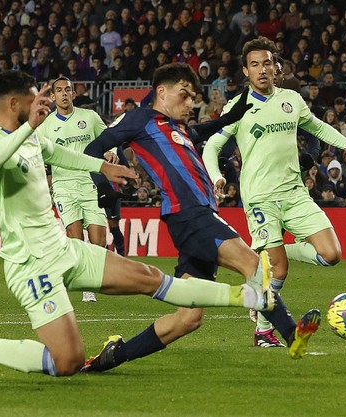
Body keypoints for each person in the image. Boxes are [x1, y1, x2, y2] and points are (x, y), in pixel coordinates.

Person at [0, 70, 272, 377]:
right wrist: (30, 127)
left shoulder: (30, 133)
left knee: (149, 277)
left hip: (63, 248)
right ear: (15, 102)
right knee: (67, 362)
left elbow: (57, 154)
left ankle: (249, 297)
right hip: (30, 265)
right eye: (35, 101)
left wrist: (102, 167)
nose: (42, 107)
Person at [83, 62, 320, 370]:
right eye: (184, 95)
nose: (190, 102)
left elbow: (198, 132)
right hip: (189, 214)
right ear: (162, 92)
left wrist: (231, 118)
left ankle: (113, 356)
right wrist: (103, 187)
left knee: (188, 318)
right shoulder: (141, 119)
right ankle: (291, 333)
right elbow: (93, 149)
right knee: (253, 264)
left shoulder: (179, 129)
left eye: (193, 97)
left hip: (197, 215)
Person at [203, 37, 346, 348]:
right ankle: (263, 331)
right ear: (246, 71)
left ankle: (266, 256)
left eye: (267, 63)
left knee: (331, 254)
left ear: (276, 67)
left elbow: (318, 127)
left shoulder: (292, 100)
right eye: (255, 65)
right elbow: (212, 146)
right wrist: (216, 176)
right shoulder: (238, 106)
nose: (262, 69)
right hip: (260, 197)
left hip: (295, 193)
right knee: (277, 268)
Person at [36, 76, 118, 303]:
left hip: (91, 184)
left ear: (73, 94)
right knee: (74, 236)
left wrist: (112, 152)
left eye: (68, 90)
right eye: (59, 90)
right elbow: (38, 153)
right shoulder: (45, 126)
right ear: (52, 97)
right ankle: (87, 286)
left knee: (98, 240)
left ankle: (94, 273)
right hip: (64, 186)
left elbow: (109, 138)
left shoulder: (89, 118)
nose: (64, 93)